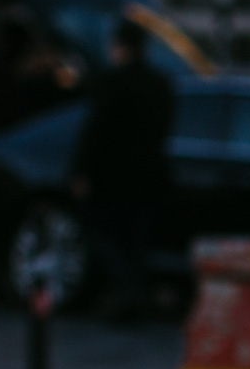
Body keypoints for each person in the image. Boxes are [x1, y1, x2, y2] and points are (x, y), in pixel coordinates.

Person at [70, 17, 174, 317]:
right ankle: (135, 295)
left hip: (114, 179)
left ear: (121, 48)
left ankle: (128, 294)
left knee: (104, 236)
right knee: (137, 242)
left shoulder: (114, 83)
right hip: (150, 177)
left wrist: (82, 171)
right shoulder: (160, 84)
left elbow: (97, 132)